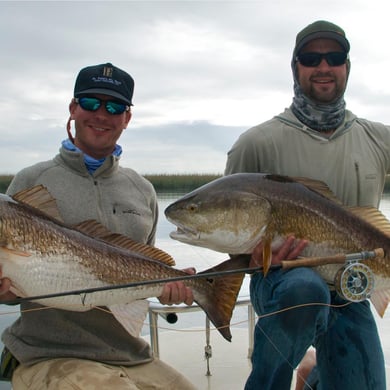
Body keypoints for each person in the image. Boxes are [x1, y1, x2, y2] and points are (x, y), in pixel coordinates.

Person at [0, 63, 197, 390]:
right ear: (73, 108)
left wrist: (171, 288)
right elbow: (14, 288)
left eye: (115, 106)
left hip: (130, 355)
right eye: (91, 103)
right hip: (49, 355)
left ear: (127, 118)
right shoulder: (31, 181)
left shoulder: (143, 191)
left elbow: (142, 271)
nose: (102, 114)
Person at [225, 20, 390, 390]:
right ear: (295, 67)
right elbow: (229, 226)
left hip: (353, 288)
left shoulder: (378, 139)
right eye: (311, 58)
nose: (323, 67)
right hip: (281, 284)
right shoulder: (256, 143)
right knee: (305, 289)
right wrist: (249, 258)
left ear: (347, 66)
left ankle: (313, 377)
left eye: (334, 57)